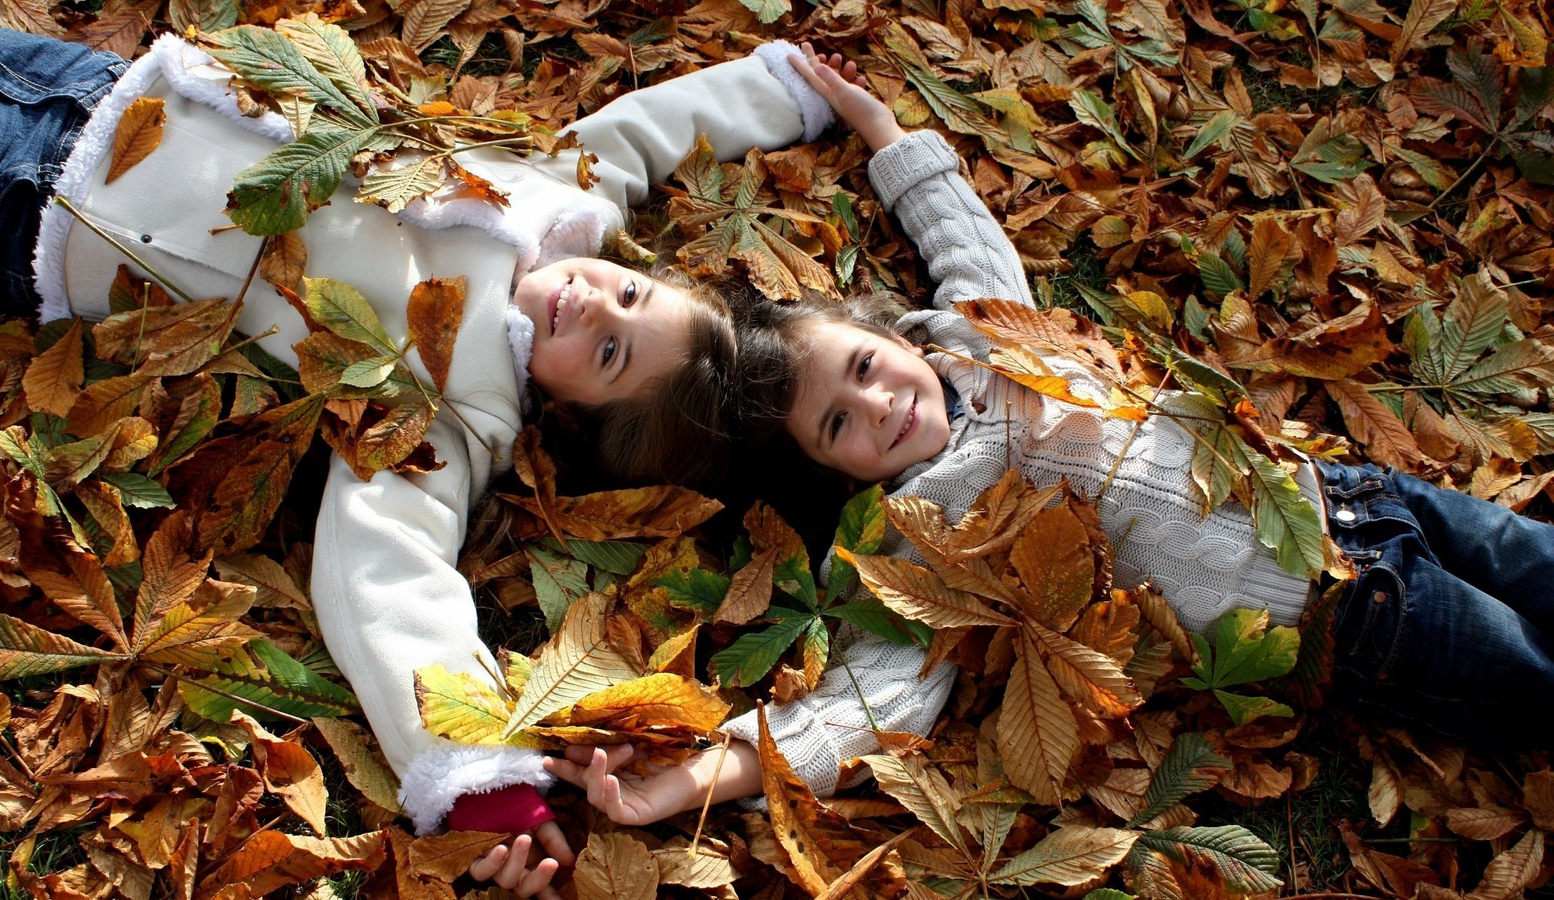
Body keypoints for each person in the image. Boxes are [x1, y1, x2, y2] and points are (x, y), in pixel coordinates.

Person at [549, 45, 1554, 827]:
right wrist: (692, 781)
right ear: (828, 473)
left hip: (1350, 493)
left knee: (1534, 558)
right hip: (1351, 619)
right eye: (840, 426)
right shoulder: (923, 540)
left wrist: (879, 125)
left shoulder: (978, 343)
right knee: (1528, 677)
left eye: (863, 367)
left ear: (879, 334)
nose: (881, 405)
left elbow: (962, 237)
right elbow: (867, 705)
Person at [0, 21, 839, 897]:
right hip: (131, 87)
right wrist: (788, 88)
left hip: (44, 204)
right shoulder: (565, 207)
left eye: (609, 353)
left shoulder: (455, 408)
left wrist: (479, 779)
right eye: (630, 295)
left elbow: (386, 570)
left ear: (576, 421)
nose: (593, 304)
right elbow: (649, 130)